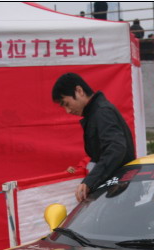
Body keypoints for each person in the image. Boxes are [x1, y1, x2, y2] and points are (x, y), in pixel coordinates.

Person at [51, 73, 135, 202]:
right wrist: (80, 171)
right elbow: (99, 157)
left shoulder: (102, 112)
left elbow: (116, 148)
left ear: (79, 91)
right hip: (116, 189)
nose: (68, 111)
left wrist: (90, 182)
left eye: (66, 104)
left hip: (119, 192)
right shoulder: (95, 113)